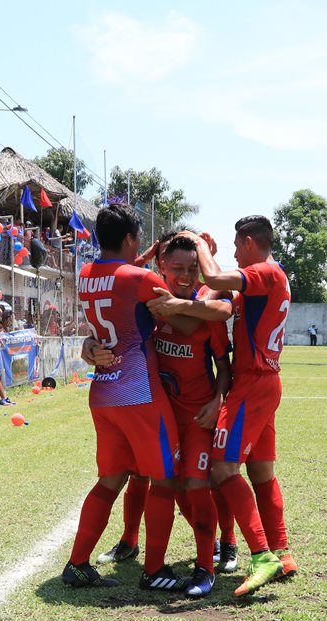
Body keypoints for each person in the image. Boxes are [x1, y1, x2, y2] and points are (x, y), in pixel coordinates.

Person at [87, 234, 235, 597]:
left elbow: (224, 365)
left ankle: (207, 565)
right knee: (151, 480)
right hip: (157, 412)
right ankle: (133, 544)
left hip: (197, 415)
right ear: (162, 269)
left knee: (198, 485)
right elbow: (118, 300)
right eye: (178, 269)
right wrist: (88, 347)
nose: (186, 276)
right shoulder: (148, 306)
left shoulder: (206, 307)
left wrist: (217, 401)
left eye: (192, 269)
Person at [61, 204, 184, 591]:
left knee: (109, 481)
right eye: (138, 240)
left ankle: (78, 564)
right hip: (140, 391)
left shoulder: (84, 274)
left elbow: (117, 279)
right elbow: (179, 307)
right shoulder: (141, 278)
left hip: (103, 391)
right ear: (131, 238)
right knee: (164, 480)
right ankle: (155, 570)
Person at [186, 217, 293, 596]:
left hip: (252, 384)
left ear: (249, 243)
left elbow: (214, 281)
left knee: (222, 467)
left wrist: (199, 244)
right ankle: (281, 549)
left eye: (235, 245)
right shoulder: (267, 280)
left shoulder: (264, 272)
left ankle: (262, 555)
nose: (233, 253)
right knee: (262, 472)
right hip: (265, 383)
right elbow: (213, 298)